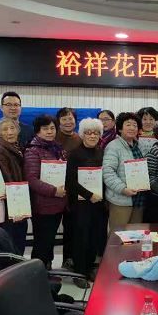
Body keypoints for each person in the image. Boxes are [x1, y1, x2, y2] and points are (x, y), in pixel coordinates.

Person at [66, 118, 108, 284]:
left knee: (94, 237)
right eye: (88, 133)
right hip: (81, 204)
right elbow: (70, 182)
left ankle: (90, 268)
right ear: (82, 134)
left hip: (99, 204)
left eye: (96, 133)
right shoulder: (74, 154)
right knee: (81, 238)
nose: (92, 136)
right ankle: (79, 273)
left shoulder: (101, 152)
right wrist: (89, 195)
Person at [24, 114, 67, 268]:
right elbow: (31, 179)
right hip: (43, 206)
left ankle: (47, 269)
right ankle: (38, 272)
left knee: (49, 241)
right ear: (37, 131)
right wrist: (54, 191)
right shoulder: (33, 151)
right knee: (42, 243)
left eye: (52, 128)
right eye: (45, 128)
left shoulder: (58, 148)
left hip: (58, 204)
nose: (49, 131)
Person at [103, 112, 147, 231]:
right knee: (118, 235)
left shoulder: (140, 146)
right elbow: (107, 172)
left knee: (136, 234)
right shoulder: (113, 146)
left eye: (135, 125)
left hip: (139, 199)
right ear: (120, 129)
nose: (132, 128)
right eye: (128, 124)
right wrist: (123, 189)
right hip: (121, 200)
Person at [0, 117, 28, 255]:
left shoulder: (18, 147)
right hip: (13, 203)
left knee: (20, 238)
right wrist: (17, 206)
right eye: (5, 129)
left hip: (21, 200)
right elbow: (6, 178)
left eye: (12, 128)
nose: (9, 132)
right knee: (13, 240)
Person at [55, 107, 80, 270]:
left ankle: (70, 260)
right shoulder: (53, 137)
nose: (68, 122)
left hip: (75, 191)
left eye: (70, 118)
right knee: (51, 229)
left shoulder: (79, 139)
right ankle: (46, 264)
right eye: (64, 119)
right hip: (56, 190)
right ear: (58, 122)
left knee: (72, 227)